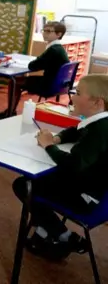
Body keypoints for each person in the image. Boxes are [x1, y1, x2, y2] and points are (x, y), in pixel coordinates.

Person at [13, 74, 108, 261]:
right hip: (95, 190)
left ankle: (64, 236)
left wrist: (49, 146)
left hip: (86, 198)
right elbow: (77, 130)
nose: (72, 96)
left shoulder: (99, 132)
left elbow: (73, 165)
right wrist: (57, 138)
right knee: (37, 180)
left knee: (24, 185)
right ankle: (43, 233)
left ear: (97, 103)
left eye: (78, 93)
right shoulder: (100, 123)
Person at [0, 21, 70, 119]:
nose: (44, 33)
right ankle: (10, 111)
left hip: (49, 85)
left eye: (49, 31)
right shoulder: (59, 48)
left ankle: (10, 112)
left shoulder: (53, 50)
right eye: (44, 30)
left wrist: (38, 60)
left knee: (14, 82)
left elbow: (33, 66)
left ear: (59, 34)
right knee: (18, 81)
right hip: (60, 85)